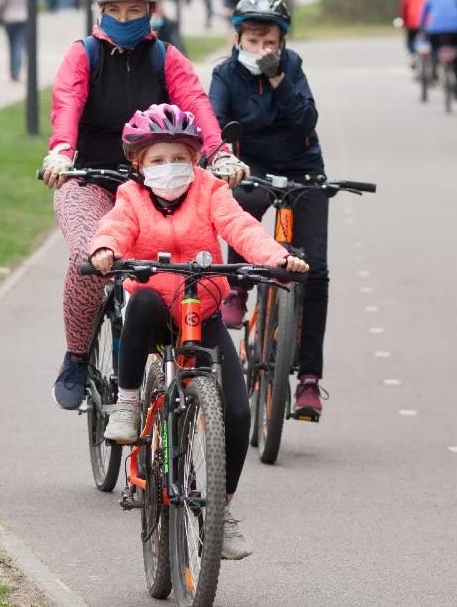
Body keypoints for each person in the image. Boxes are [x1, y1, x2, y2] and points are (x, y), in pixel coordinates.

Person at [89, 103, 309, 559]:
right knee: (144, 300)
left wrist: (276, 258)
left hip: (201, 311)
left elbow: (241, 229)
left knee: (238, 412)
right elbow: (115, 228)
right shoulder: (131, 197)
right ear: (139, 165)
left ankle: (219, 512)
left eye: (180, 158)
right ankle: (128, 405)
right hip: (153, 313)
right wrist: (106, 249)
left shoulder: (209, 191)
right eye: (158, 160)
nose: (170, 168)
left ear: (195, 159)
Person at [41, 0, 251, 410]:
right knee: (87, 255)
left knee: (172, 262)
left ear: (151, 11)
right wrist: (61, 151)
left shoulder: (166, 57)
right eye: (114, 9)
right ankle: (77, 355)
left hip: (153, 182)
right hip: (90, 181)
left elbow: (195, 103)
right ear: (100, 12)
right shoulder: (84, 55)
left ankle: (159, 364)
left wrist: (219, 153)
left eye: (134, 8)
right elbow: (67, 103)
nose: (124, 16)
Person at [209, 0, 331, 420]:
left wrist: (278, 79)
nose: (263, 47)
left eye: (271, 40)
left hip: (302, 166)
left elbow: (305, 121)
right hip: (251, 165)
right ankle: (238, 287)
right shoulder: (225, 74)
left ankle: (310, 380)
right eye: (255, 38)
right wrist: (224, 160)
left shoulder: (291, 67)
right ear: (239, 36)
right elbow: (214, 125)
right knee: (245, 200)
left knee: (314, 270)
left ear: (282, 43)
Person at [397, 0, 435, 67]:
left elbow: (404, 7)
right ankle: (432, 59)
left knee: (410, 39)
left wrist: (403, 21)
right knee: (431, 40)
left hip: (412, 21)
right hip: (429, 21)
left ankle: (413, 55)